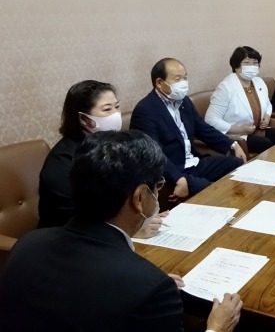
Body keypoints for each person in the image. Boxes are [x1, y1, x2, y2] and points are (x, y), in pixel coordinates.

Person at [0, 131, 243, 332]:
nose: (157, 194)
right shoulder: (151, 289)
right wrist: (217, 328)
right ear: (140, 198)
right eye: (157, 186)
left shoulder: (27, 245)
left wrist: (145, 285)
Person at [37, 80, 165, 237]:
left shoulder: (112, 148)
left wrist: (145, 214)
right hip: (68, 240)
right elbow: (76, 220)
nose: (115, 115)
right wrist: (131, 229)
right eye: (107, 109)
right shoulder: (62, 162)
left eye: (117, 107)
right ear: (84, 119)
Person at [130, 58, 246, 202]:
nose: (183, 83)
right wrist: (178, 178)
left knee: (236, 165)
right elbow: (154, 153)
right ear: (160, 83)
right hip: (174, 171)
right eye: (177, 79)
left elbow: (202, 128)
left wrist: (232, 144)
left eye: (185, 78)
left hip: (194, 163)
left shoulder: (184, 101)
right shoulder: (146, 110)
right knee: (213, 191)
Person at [205, 46, 275, 154]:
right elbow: (210, 120)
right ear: (236, 66)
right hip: (237, 135)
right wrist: (240, 129)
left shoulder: (259, 82)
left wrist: (267, 117)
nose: (251, 66)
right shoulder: (226, 87)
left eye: (255, 63)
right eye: (247, 63)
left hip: (257, 130)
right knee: (265, 144)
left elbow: (268, 105)